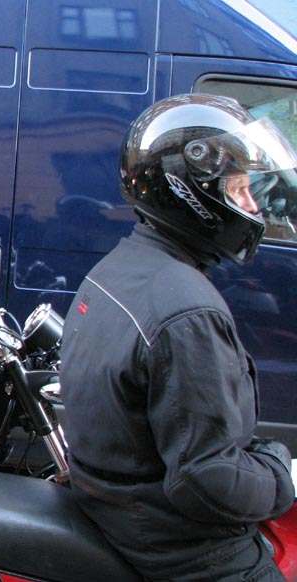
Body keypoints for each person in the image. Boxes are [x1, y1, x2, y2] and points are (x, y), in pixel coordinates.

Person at [60, 93, 297, 581]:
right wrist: (281, 473)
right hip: (183, 551)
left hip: (120, 512)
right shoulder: (187, 312)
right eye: (238, 189)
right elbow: (207, 480)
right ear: (194, 193)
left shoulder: (120, 268)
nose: (252, 206)